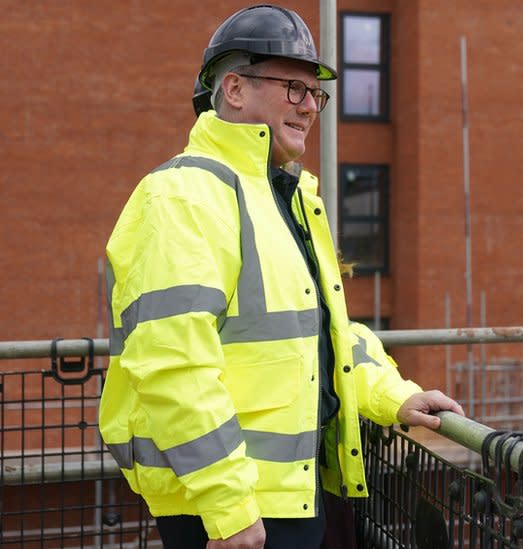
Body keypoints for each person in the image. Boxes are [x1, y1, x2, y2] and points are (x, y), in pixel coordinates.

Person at [99, 5, 464, 548]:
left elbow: (319, 336)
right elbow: (174, 367)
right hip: (230, 512)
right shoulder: (181, 196)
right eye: (294, 87)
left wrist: (395, 395)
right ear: (235, 89)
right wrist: (228, 507)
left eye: (315, 93)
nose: (310, 106)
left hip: (289, 496)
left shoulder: (286, 199)